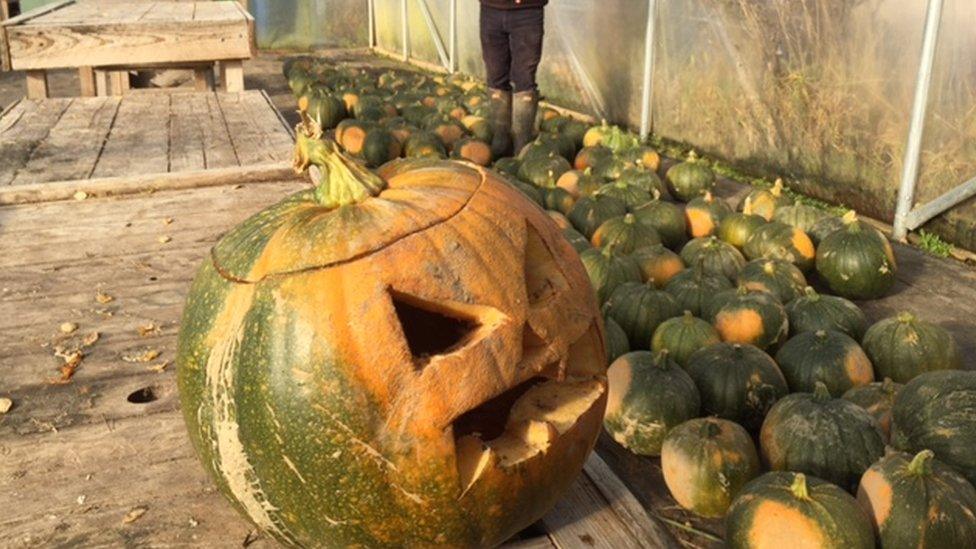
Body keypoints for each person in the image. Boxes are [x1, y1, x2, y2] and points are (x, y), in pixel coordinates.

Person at [479, 0, 547, 158]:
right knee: (495, 74)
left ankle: (522, 148)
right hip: (490, 8)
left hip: (527, 11)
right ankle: (501, 140)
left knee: (524, 77)